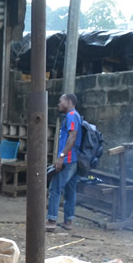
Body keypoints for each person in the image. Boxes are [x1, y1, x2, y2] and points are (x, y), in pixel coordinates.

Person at [47, 93, 82, 232]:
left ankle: (51, 220)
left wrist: (61, 156)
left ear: (68, 101)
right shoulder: (76, 115)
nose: (58, 104)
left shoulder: (71, 115)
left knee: (55, 189)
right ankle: (68, 221)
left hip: (68, 159)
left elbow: (72, 136)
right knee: (70, 191)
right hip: (74, 159)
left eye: (60, 101)